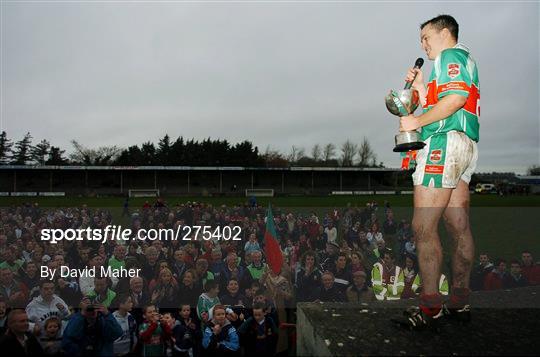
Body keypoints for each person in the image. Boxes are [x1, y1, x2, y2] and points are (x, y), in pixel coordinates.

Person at [398, 14, 480, 329]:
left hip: (443, 146)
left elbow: (456, 99)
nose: (423, 44)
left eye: (426, 37)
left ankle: (431, 309)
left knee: (423, 228)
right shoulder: (448, 66)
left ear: (444, 33)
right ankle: (459, 303)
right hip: (464, 146)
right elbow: (443, 100)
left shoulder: (451, 55)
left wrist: (415, 122)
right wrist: (420, 87)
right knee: (459, 226)